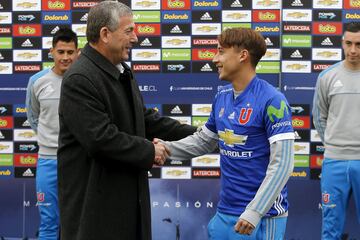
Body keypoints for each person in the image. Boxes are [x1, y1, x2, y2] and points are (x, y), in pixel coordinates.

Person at [57, 1, 197, 240]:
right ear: (105, 34)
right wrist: (150, 151)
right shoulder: (80, 78)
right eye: (129, 30)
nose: (136, 38)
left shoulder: (120, 70)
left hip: (125, 206)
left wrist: (201, 135)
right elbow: (100, 139)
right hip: (96, 215)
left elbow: (144, 120)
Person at [157, 27, 295, 239]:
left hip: (261, 218)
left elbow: (283, 164)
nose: (214, 59)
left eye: (221, 51)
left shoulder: (272, 100)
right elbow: (204, 141)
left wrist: (254, 212)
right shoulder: (221, 97)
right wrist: (164, 149)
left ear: (243, 56)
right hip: (225, 213)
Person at [26, 27, 79, 240]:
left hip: (78, 160)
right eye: (61, 52)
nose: (65, 58)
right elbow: (33, 117)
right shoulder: (37, 82)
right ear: (52, 52)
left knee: (78, 219)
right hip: (48, 160)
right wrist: (49, 140)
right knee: (48, 222)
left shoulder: (85, 81)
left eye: (70, 52)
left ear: (78, 52)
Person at [312, 22, 360, 240]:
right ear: (342, 43)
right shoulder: (327, 77)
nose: (353, 50)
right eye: (348, 43)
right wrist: (333, 143)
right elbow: (319, 118)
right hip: (334, 161)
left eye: (359, 44)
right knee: (331, 228)